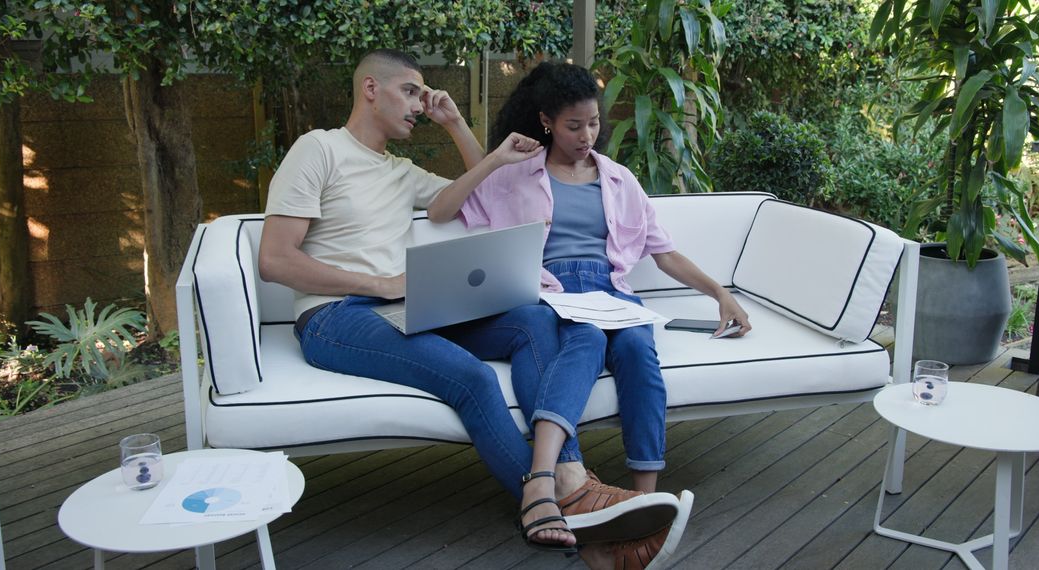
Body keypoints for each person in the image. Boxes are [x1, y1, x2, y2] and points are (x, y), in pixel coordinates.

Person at [257, 49, 679, 557]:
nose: (418, 104)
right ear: (371, 88)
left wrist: (460, 125)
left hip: (405, 307)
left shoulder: (402, 171)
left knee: (531, 320)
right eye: (409, 91)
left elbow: (486, 186)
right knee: (472, 377)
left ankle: (565, 485)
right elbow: (275, 262)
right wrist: (385, 285)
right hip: (334, 316)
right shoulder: (318, 150)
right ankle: (560, 492)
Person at [440, 61, 753, 569]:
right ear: (546, 121)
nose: (587, 136)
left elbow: (664, 252)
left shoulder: (619, 179)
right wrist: (461, 131)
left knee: (637, 350)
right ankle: (552, 476)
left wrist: (718, 291)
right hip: (551, 291)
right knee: (583, 341)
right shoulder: (518, 175)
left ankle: (642, 500)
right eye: (573, 125)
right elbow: (462, 200)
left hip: (612, 290)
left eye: (593, 124)